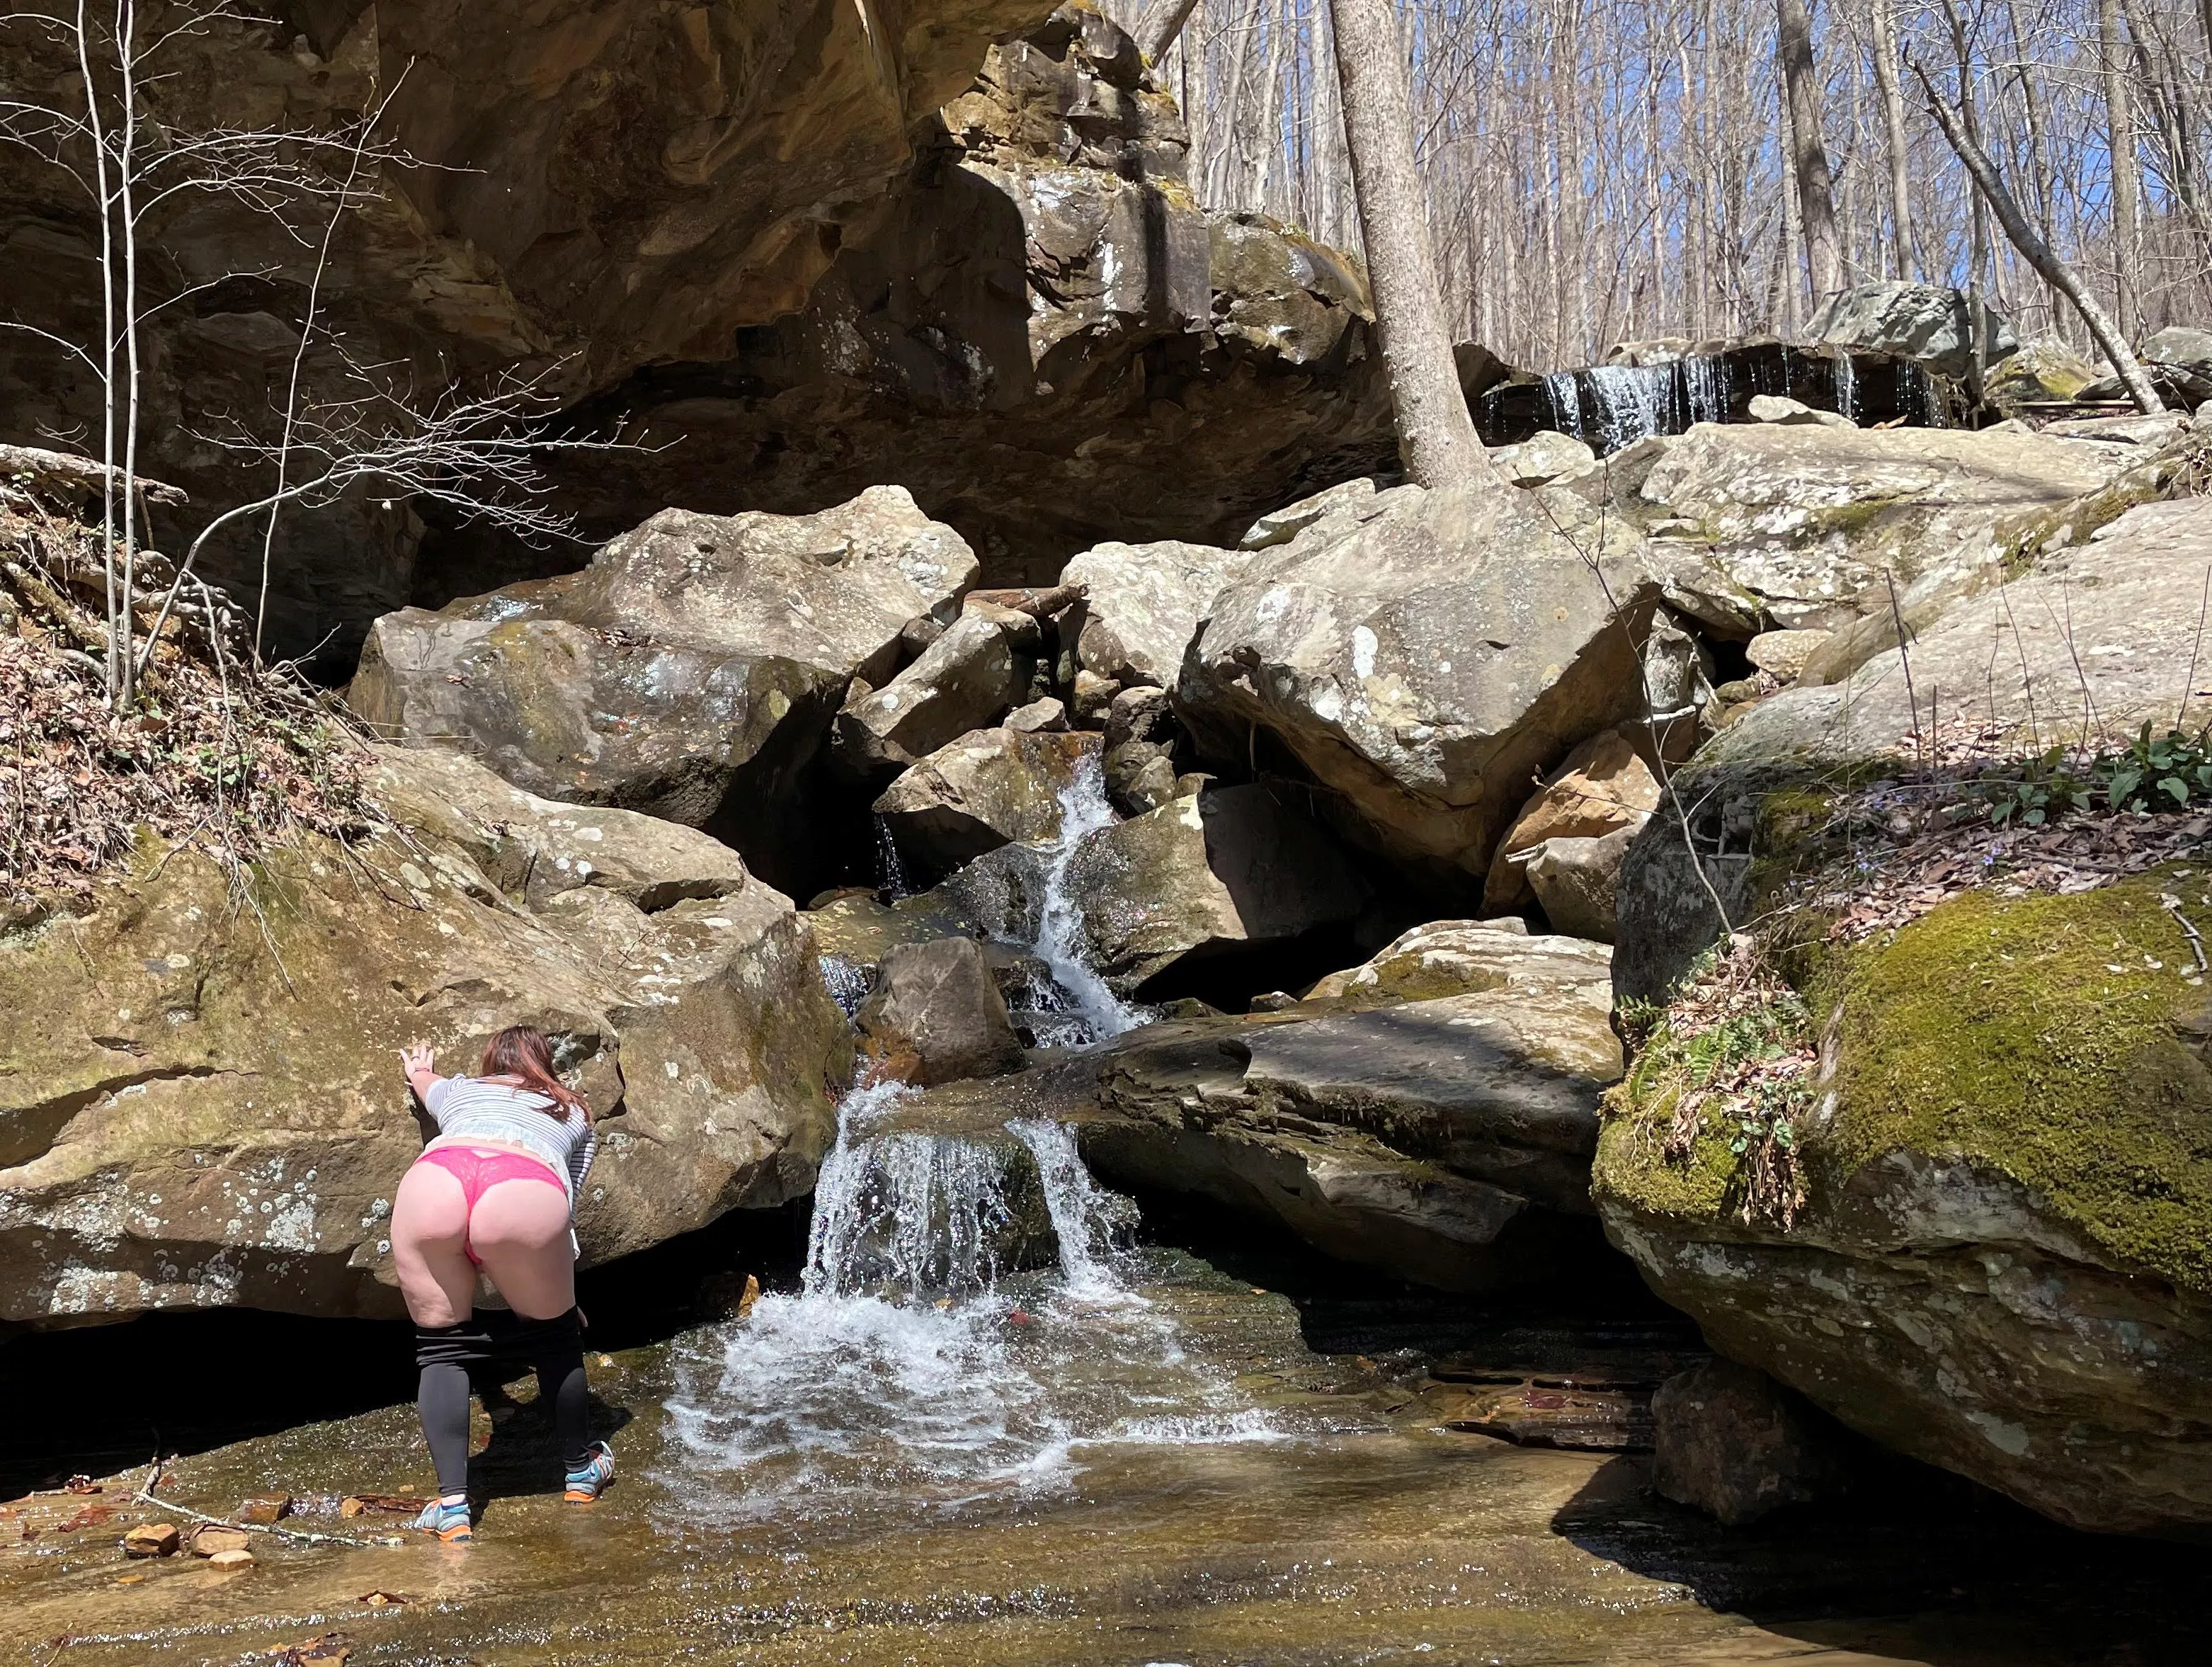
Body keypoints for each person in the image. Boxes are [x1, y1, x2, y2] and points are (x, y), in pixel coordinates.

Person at [393, 1025, 615, 1542]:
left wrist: (420, 1069)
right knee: (556, 1340)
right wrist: (563, 1296)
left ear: (491, 1063)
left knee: (441, 1350)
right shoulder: (572, 1110)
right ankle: (580, 1472)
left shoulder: (462, 1091)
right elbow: (565, 1204)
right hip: (524, 1184)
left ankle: (453, 1508)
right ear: (545, 1064)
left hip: (437, 1179)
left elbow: (425, 1084)